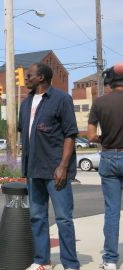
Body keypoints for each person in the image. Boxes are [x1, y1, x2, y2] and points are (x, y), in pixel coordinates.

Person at [18, 63, 80, 270]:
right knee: (37, 217)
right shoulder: (25, 103)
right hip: (33, 170)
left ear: (42, 77)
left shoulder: (62, 99)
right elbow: (26, 134)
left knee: (63, 218)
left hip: (56, 171)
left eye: (29, 76)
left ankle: (70, 263)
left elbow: (70, 135)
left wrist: (63, 166)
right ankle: (41, 260)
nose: (25, 79)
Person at [87, 62, 123, 270]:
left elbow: (91, 136)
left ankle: (110, 259)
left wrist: (105, 137)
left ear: (110, 81)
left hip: (109, 157)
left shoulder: (99, 103)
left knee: (112, 211)